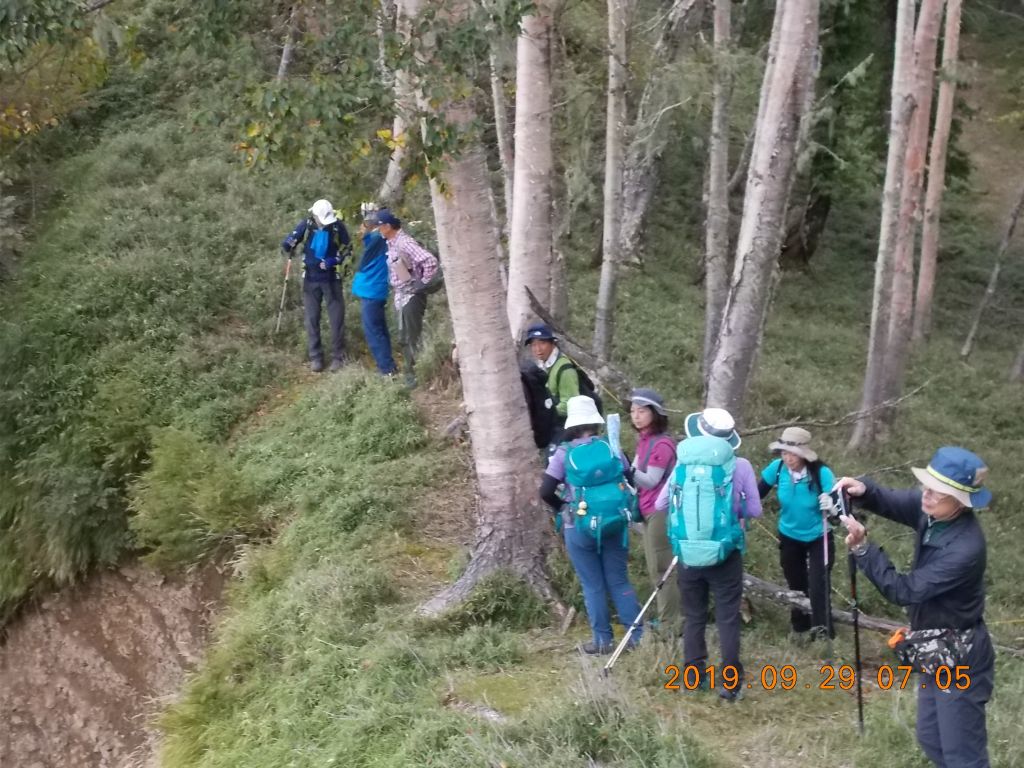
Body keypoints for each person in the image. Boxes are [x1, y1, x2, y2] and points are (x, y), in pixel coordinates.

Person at [834, 447, 995, 768]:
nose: (927, 494)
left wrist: (864, 550)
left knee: (962, 755)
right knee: (930, 736)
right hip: (934, 648)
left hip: (960, 656)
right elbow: (894, 500)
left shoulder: (965, 549)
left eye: (939, 491)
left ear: (961, 501)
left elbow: (905, 590)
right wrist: (865, 489)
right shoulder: (934, 510)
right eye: (928, 485)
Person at [654, 407, 761, 700]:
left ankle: (693, 677)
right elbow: (755, 509)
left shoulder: (683, 464)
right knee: (727, 617)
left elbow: (662, 504)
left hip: (688, 552)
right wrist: (730, 512)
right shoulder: (741, 466)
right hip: (726, 552)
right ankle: (729, 684)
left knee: (694, 616)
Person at [540, 396, 643, 655]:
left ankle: (602, 640)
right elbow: (630, 480)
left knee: (593, 584)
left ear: (571, 424)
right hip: (615, 523)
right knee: (619, 581)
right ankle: (637, 635)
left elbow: (545, 491)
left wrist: (564, 507)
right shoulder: (612, 448)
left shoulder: (564, 455)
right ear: (595, 422)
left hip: (579, 525)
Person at [758, 427, 837, 643]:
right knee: (796, 582)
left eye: (792, 454)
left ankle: (823, 632)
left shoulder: (822, 474)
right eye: (784, 453)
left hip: (818, 535)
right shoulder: (777, 469)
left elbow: (838, 508)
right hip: (789, 534)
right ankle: (800, 628)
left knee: (819, 583)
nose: (788, 458)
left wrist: (832, 506)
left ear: (803, 453)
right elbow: (757, 494)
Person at [280, 198, 353, 372]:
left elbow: (348, 248)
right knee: (312, 319)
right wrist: (289, 243)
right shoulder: (305, 226)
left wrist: (335, 259)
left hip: (331, 279)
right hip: (310, 280)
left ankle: (338, 357)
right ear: (315, 215)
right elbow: (287, 244)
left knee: (336, 319)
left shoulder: (337, 227)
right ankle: (316, 357)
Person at [628, 388, 679, 632]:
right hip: (647, 509)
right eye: (633, 411)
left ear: (655, 413)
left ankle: (671, 623)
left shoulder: (663, 444)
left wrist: (628, 470)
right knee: (653, 566)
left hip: (661, 509)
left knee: (663, 565)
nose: (636, 416)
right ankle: (665, 617)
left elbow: (650, 480)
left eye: (641, 411)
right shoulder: (644, 440)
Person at [376, 209, 439, 387]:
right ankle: (413, 372)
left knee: (412, 337)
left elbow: (429, 261)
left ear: (388, 226)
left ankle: (415, 375)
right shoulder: (392, 243)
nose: (378, 229)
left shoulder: (404, 243)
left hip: (411, 296)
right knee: (405, 336)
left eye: (380, 225)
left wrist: (421, 284)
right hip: (401, 295)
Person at [351, 207, 397, 376]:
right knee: (379, 329)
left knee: (374, 331)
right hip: (374, 290)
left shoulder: (378, 238)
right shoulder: (378, 238)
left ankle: (386, 369)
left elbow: (364, 236)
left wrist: (368, 223)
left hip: (372, 291)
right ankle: (388, 365)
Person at [524, 323, 580, 439]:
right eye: (533, 345)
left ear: (552, 343)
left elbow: (571, 404)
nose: (538, 349)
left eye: (542, 343)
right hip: (552, 426)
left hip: (566, 430)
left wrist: (545, 413)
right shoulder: (541, 365)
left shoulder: (564, 368)